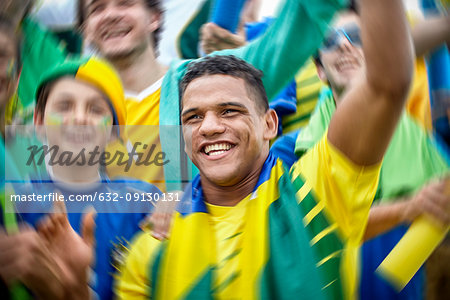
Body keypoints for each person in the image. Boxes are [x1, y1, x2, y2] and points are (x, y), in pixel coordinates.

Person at [116, 0, 413, 298]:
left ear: (270, 124)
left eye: (229, 111)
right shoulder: (152, 249)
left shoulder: (316, 191)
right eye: (193, 117)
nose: (208, 127)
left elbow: (385, 85)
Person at [290, 7, 449, 300]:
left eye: (356, 36)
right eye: (329, 41)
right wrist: (407, 207)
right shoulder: (290, 149)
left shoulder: (423, 143)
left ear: (378, 52)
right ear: (319, 71)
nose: (344, 45)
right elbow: (308, 228)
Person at [4, 57, 161, 300]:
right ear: (38, 121)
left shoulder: (144, 202)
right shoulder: (13, 203)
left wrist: (176, 202)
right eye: (64, 106)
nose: (79, 118)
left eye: (96, 109)